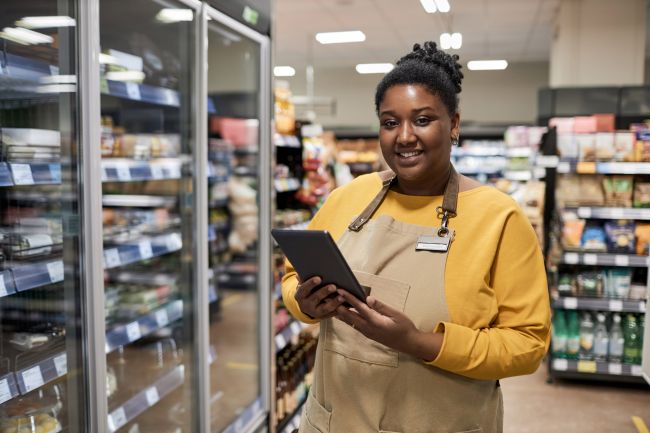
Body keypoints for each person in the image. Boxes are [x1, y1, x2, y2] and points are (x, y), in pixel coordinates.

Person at [281, 41, 551, 433]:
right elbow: (292, 278)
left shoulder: (499, 218)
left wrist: (421, 342)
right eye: (390, 123)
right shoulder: (348, 198)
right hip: (337, 421)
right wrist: (305, 303)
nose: (404, 136)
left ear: (454, 124)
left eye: (422, 120)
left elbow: (527, 345)